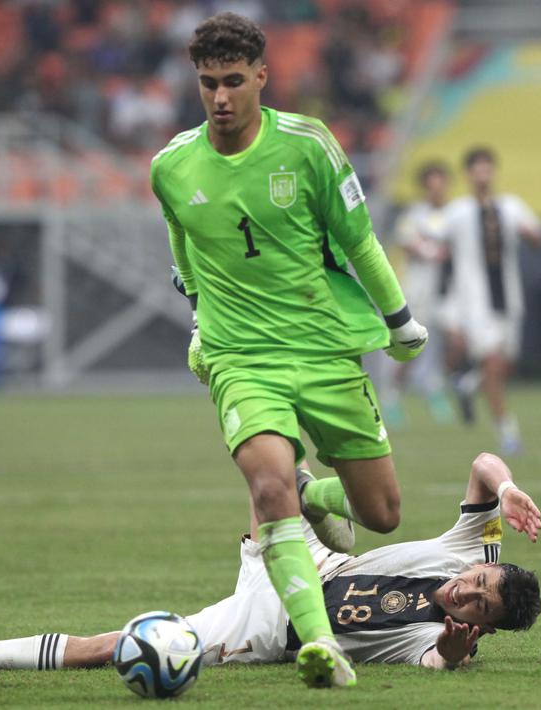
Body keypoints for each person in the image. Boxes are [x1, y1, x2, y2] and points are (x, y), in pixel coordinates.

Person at [149, 13, 430, 688]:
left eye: (233, 82)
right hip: (240, 359)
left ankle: (315, 495)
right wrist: (198, 327)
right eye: (208, 83)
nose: (220, 98)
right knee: (266, 483)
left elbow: (357, 238)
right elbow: (184, 254)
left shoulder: (308, 145)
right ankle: (319, 644)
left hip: (324, 351)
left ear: (261, 78)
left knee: (381, 514)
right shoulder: (171, 166)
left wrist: (398, 319)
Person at [0, 453, 541, 675]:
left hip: (263, 626)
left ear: (483, 625)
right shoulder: (475, 547)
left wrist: (456, 655)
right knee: (270, 465)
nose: (466, 589)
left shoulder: (442, 641)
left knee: (115, 648)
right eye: (480, 581)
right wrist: (509, 487)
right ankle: (315, 502)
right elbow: (484, 464)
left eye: (478, 603)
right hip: (310, 563)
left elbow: (439, 664)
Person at [442, 147, 541, 455]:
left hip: (508, 298)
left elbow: (540, 239)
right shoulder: (457, 211)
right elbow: (435, 243)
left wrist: (531, 235)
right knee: (491, 362)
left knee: (504, 366)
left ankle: (468, 385)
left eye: (488, 168)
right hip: (474, 303)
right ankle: (508, 433)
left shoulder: (512, 207)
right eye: (477, 169)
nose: (483, 174)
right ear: (468, 174)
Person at [379, 161, 455, 430]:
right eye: (432, 185)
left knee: (450, 340)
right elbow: (408, 242)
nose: (437, 190)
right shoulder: (415, 215)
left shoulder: (454, 213)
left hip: (450, 290)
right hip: (419, 290)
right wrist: (434, 251)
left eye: (441, 184)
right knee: (415, 345)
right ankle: (392, 394)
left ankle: (436, 388)